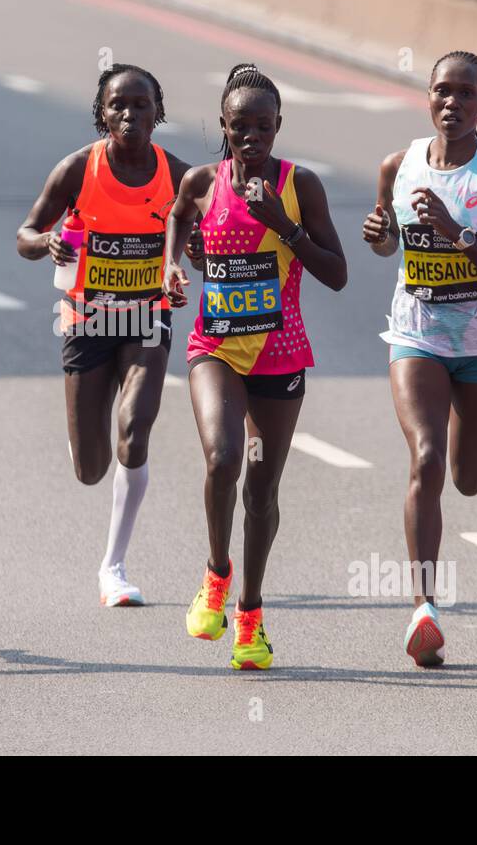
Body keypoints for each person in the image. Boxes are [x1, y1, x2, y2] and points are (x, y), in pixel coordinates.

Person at [164, 63, 347, 670]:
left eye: (264, 127)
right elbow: (178, 218)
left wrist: (284, 226)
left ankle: (251, 616)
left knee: (262, 489)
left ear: (277, 128)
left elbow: (337, 274)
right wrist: (172, 265)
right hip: (215, 347)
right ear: (223, 125)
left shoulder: (301, 186)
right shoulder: (199, 181)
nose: (252, 138)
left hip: (279, 354)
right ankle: (216, 574)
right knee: (222, 459)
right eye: (240, 126)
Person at [361, 51, 477, 668]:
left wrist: (458, 230)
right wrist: (382, 235)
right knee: (426, 458)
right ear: (427, 98)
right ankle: (423, 607)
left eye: (465, 93)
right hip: (418, 333)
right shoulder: (398, 165)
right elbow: (389, 249)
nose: (451, 103)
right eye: (441, 91)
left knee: (468, 477)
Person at [17, 64, 192, 607]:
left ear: (157, 113)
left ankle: (113, 568)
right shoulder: (77, 170)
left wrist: (181, 266)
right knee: (91, 468)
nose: (129, 115)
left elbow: (207, 235)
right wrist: (46, 242)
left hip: (147, 318)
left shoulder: (178, 176)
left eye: (141, 105)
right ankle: (85, 435)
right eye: (118, 105)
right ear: (102, 115)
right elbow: (23, 234)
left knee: (134, 430)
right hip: (87, 323)